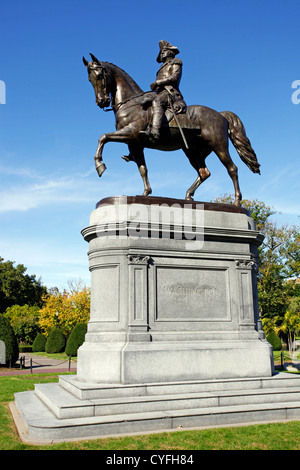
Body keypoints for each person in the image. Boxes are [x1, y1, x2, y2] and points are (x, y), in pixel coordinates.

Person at [140, 40, 187, 142]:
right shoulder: (162, 66)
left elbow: (174, 78)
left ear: (170, 52)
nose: (161, 53)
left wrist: (158, 82)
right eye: (161, 52)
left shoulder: (176, 62)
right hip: (160, 92)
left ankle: (155, 131)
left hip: (170, 92)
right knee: (143, 100)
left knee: (157, 101)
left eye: (164, 51)